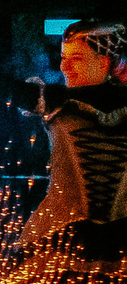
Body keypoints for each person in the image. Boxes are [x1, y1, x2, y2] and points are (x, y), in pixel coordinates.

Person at [10, 19, 127, 260]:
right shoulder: (55, 100)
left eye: (77, 59)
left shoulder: (56, 100)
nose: (66, 67)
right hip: (58, 233)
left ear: (105, 63)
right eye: (64, 58)